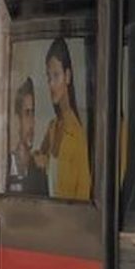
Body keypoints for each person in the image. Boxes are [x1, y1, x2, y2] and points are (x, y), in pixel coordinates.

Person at [39, 36, 91, 200]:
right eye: (48, 77)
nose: (51, 84)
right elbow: (40, 159)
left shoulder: (77, 135)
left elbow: (84, 192)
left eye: (56, 75)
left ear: (67, 76)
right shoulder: (52, 127)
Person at [6, 77, 48, 195]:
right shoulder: (4, 165)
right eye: (27, 113)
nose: (32, 123)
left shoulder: (39, 171)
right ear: (17, 119)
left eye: (33, 114)